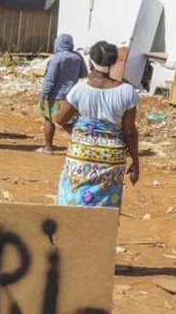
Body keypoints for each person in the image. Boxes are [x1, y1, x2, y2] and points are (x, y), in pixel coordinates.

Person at [54, 41, 140, 208]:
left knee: (73, 203)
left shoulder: (79, 90)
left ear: (90, 61)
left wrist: (79, 132)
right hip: (111, 160)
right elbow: (130, 132)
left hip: (81, 157)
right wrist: (136, 163)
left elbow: (60, 119)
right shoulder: (127, 92)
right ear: (113, 63)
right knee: (105, 207)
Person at [38, 34, 88, 154]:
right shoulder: (77, 57)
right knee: (68, 121)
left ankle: (48, 147)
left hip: (55, 96)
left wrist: (43, 95)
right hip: (72, 96)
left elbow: (50, 79)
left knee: (49, 119)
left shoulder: (56, 58)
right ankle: (82, 143)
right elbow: (83, 74)